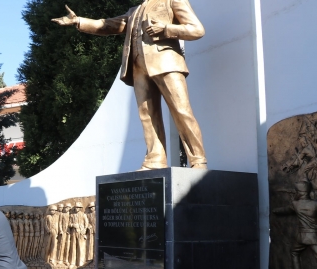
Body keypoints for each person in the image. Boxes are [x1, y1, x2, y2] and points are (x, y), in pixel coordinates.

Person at [52, 0, 208, 170]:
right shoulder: (134, 11)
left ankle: (198, 160)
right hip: (138, 68)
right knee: (147, 116)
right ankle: (155, 160)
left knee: (181, 111)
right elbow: (106, 25)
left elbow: (197, 30)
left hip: (167, 63)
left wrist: (166, 29)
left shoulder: (172, 1)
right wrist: (78, 21)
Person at [273, 181, 317, 269]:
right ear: (308, 191)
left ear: (299, 192)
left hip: (301, 237)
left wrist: (274, 210)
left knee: (294, 253)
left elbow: (282, 210)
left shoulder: (295, 204)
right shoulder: (315, 204)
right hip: (313, 237)